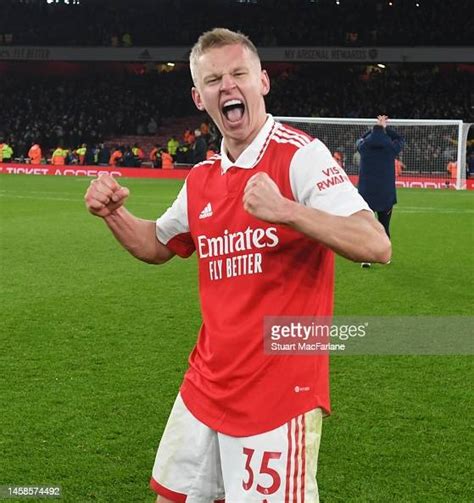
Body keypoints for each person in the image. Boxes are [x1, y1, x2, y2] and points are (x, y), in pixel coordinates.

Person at [84, 28, 390, 502]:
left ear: (262, 81)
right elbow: (156, 245)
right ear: (198, 96)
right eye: (213, 80)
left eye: (238, 73)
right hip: (206, 385)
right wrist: (113, 213)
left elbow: (376, 244)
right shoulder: (202, 177)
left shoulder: (301, 156)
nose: (227, 86)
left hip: (278, 392)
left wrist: (288, 210)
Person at [356, 115, 404, 268]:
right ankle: (385, 257)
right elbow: (400, 139)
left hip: (366, 195)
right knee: (384, 227)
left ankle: (366, 257)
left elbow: (360, 139)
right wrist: (385, 128)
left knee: (366, 227)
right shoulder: (390, 148)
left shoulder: (363, 147)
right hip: (385, 195)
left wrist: (375, 128)